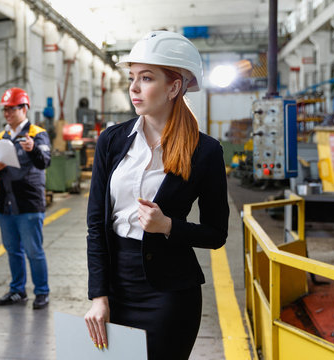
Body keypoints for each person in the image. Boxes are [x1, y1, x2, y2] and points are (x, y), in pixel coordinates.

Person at [84, 31, 229, 359]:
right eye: (132, 77)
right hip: (117, 286)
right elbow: (96, 224)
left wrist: (168, 226)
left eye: (146, 78)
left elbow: (216, 234)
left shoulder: (204, 152)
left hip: (170, 295)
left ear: (174, 87)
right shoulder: (112, 141)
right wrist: (98, 296)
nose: (133, 87)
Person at [0, 87, 52, 310]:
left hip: (29, 203)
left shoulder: (37, 134)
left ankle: (41, 292)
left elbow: (44, 161)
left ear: (24, 108)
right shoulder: (1, 136)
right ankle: (18, 290)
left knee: (33, 250)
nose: (7, 114)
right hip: (6, 204)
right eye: (4, 110)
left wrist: (33, 149)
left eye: (11, 109)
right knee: (12, 249)